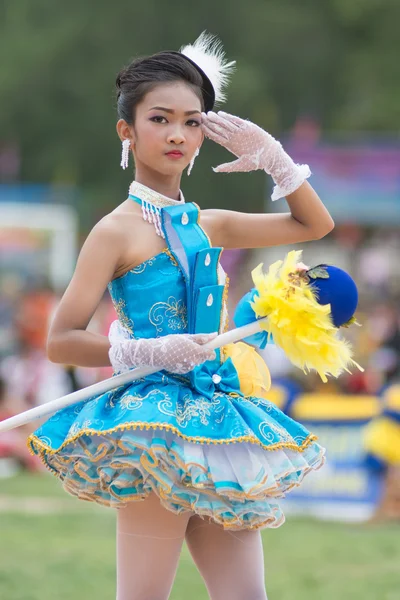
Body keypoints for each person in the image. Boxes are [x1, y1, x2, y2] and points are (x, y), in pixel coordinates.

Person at [27, 32, 335, 600]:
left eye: (193, 122)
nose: (177, 134)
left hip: (218, 419)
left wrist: (275, 158)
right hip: (153, 426)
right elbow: (61, 341)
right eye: (160, 118)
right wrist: (146, 352)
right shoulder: (114, 231)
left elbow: (314, 226)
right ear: (127, 130)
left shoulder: (210, 222)